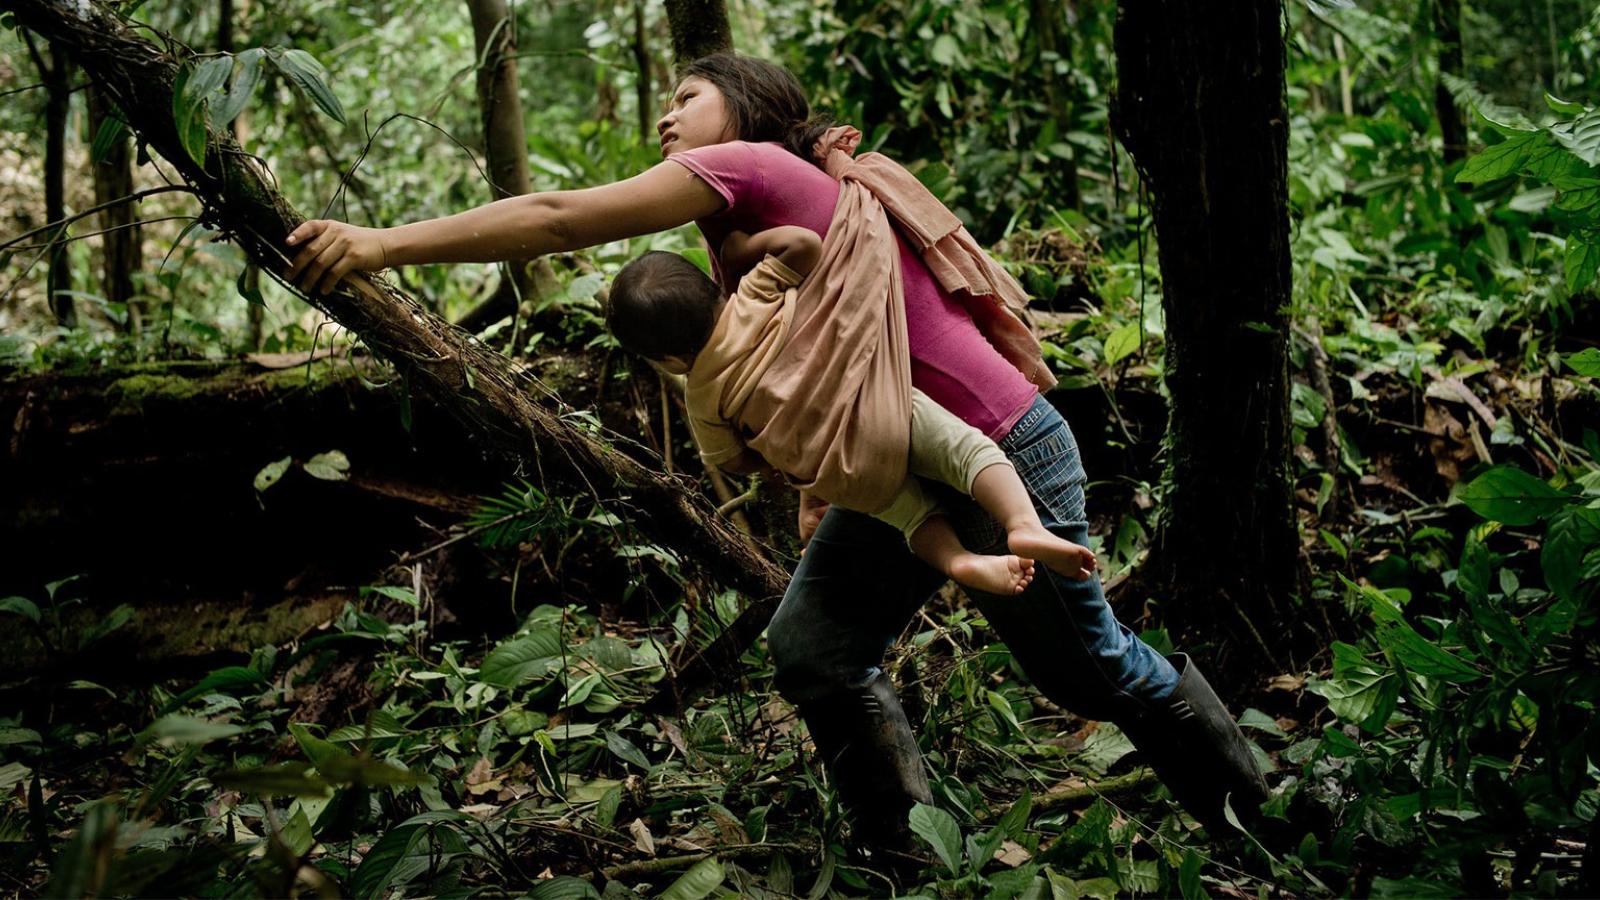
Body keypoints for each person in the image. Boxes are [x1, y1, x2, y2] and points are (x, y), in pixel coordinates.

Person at [283, 52, 1266, 847]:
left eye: (686, 98)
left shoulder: (751, 171)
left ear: (744, 108)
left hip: (998, 443)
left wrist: (381, 244)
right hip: (902, 462)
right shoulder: (739, 233)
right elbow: (808, 374)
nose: (665, 119)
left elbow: (552, 220)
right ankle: (912, 858)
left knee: (1084, 672)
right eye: (662, 104)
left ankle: (1266, 820)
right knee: (815, 647)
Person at [604, 224, 1099, 597]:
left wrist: (774, 450)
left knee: (912, 518)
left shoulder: (700, 397)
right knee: (968, 453)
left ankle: (958, 562)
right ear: (716, 293)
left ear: (668, 361)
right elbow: (803, 244)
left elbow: (728, 460)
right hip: (878, 408)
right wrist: (741, 252)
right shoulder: (751, 298)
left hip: (837, 473)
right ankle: (1023, 525)